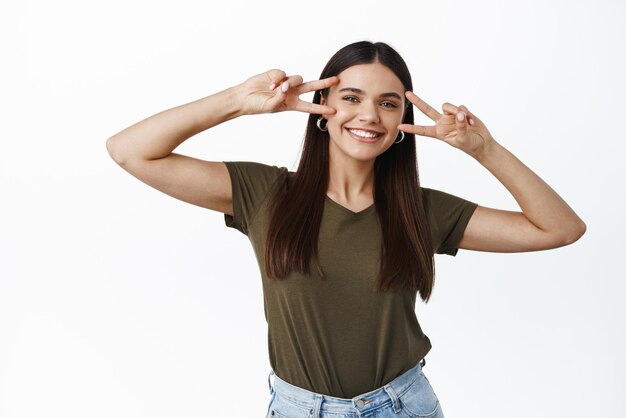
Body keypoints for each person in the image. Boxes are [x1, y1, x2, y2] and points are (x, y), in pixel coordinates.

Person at [106, 41, 586, 418]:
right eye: (351, 98)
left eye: (388, 104)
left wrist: (485, 150)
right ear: (322, 108)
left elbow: (560, 229)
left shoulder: (420, 210)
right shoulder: (264, 193)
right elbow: (130, 150)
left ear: (402, 121)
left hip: (403, 407)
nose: (369, 116)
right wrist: (239, 101)